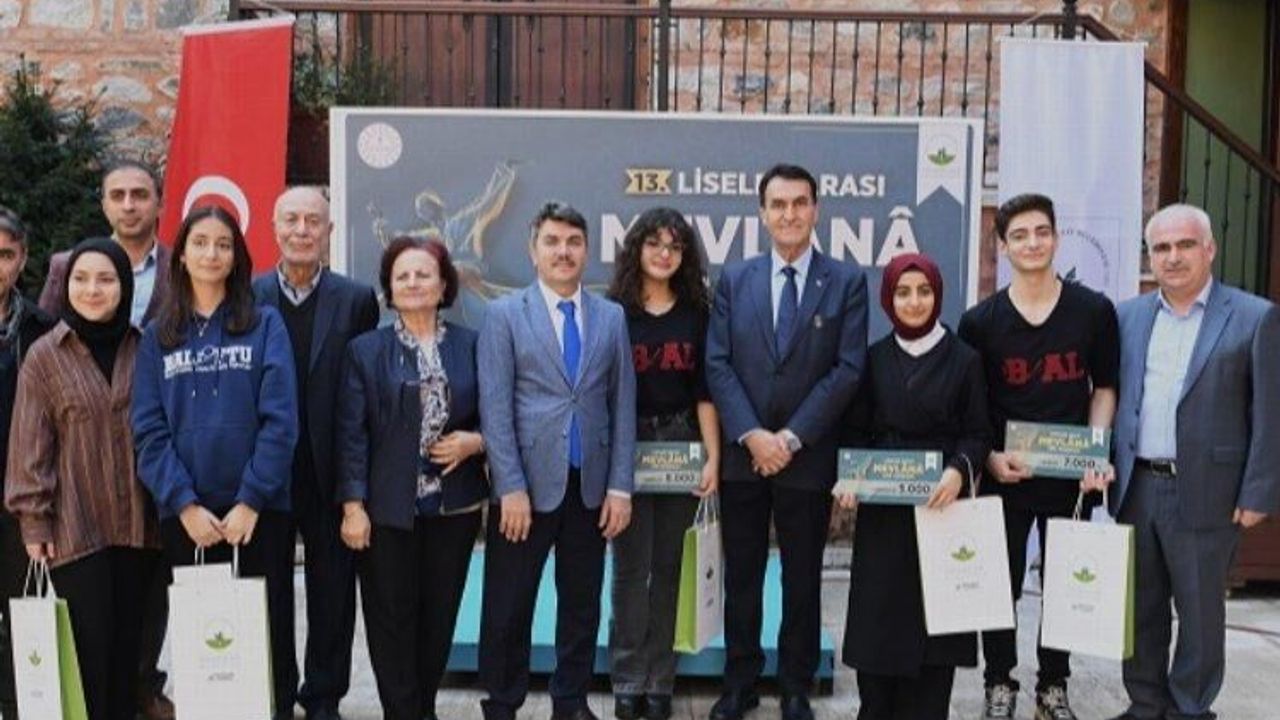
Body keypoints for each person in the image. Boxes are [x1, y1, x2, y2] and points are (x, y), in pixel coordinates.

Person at [1101, 204, 1279, 720]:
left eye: (1184, 245)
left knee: (1200, 612)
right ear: (1150, 256)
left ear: (1209, 249)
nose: (1173, 257)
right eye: (1161, 248)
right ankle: (1145, 703)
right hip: (1137, 486)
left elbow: (1269, 411)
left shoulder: (1254, 317)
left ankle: (1189, 708)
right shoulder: (1128, 316)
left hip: (1209, 490)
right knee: (1141, 608)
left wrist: (1258, 492)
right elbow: (1115, 398)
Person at [705, 163, 867, 720]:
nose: (789, 214)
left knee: (802, 579)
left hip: (808, 457)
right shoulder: (735, 279)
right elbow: (718, 363)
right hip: (744, 457)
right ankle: (740, 683)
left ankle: (795, 684)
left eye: (800, 203)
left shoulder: (845, 281)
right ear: (762, 213)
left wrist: (791, 438)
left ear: (816, 210)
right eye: (778, 204)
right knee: (742, 577)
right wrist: (753, 435)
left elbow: (848, 369)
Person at [130, 205, 299, 720]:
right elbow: (148, 430)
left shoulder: (265, 324)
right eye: (200, 243)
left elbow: (281, 421)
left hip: (258, 512)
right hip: (189, 516)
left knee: (267, 634)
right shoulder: (158, 336)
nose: (211, 254)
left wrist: (251, 499)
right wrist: (182, 504)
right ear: (181, 255)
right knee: (207, 644)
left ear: (236, 256)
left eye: (223, 244)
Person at [957, 193, 1119, 720]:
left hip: (1070, 476)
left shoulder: (1093, 311)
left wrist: (1095, 450)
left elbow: (1104, 388)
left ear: (1056, 237)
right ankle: (999, 681)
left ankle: (1053, 687)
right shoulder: (980, 322)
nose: (1033, 243)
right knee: (997, 584)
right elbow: (973, 405)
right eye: (1020, 235)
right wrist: (990, 457)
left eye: (1042, 232)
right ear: (1003, 247)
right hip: (1006, 473)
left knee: (1066, 584)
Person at [477, 201, 636, 720]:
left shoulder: (611, 316)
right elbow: (495, 408)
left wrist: (620, 487)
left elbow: (622, 404)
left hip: (590, 487)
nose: (563, 251)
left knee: (582, 602)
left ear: (586, 251)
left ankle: (570, 700)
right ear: (533, 250)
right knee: (508, 604)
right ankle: (502, 702)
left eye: (573, 242)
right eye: (552, 241)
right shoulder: (504, 315)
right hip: (525, 490)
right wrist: (510, 487)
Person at [36, 158, 175, 720]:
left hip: (146, 496)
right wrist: (36, 515)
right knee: (90, 643)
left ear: (159, 202)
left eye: (140, 194)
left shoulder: (176, 274)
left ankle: (143, 692)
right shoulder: (64, 278)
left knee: (140, 631)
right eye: (117, 194)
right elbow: (50, 352)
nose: (128, 204)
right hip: (77, 498)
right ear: (103, 203)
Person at [6, 238, 161, 720]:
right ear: (66, 285)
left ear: (125, 286)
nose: (93, 289)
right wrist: (34, 521)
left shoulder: (145, 348)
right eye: (81, 279)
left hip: (140, 527)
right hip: (75, 530)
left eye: (106, 279)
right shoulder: (45, 356)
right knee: (88, 658)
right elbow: (30, 447)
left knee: (131, 657)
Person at [336, 236, 487, 720]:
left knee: (438, 618)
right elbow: (351, 434)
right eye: (402, 275)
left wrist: (476, 442)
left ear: (444, 285)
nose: (413, 282)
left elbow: (500, 413)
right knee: (391, 621)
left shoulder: (472, 344)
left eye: (424, 274)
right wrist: (353, 507)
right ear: (389, 289)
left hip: (454, 507)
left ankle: (423, 709)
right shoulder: (365, 351)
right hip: (387, 510)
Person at [835, 252, 990, 720]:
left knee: (934, 640)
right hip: (884, 518)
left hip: (942, 508)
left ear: (937, 295)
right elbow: (855, 432)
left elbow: (978, 433)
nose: (914, 301)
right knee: (878, 634)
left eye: (923, 291)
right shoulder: (872, 359)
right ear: (888, 299)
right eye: (903, 292)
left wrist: (959, 470)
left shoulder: (965, 359)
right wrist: (850, 476)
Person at [253, 186, 379, 720]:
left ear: (329, 231)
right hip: (267, 472)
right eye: (291, 220)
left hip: (332, 469)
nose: (301, 230)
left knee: (333, 592)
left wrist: (357, 488)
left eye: (312, 221)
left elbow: (365, 391)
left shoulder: (356, 299)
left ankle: (323, 696)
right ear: (274, 228)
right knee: (269, 591)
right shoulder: (250, 295)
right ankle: (277, 695)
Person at [606, 208, 719, 720]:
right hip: (627, 446)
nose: (664, 254)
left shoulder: (697, 313)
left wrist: (712, 457)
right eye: (653, 244)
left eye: (674, 246)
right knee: (630, 570)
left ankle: (660, 682)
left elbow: (705, 392)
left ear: (685, 256)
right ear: (637, 249)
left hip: (681, 445)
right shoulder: (614, 312)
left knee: (671, 569)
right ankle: (628, 679)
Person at [0, 206, 58, 719]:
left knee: (24, 621)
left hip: (21, 502)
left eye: (5, 255)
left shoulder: (44, 330)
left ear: (22, 260)